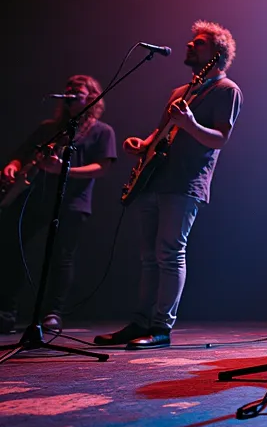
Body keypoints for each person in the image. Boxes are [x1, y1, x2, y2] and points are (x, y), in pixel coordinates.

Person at [95, 21, 242, 350]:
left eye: (199, 43)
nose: (190, 46)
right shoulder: (180, 91)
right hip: (155, 178)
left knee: (170, 253)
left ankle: (161, 327)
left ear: (217, 53)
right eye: (191, 42)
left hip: (185, 180)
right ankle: (139, 322)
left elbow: (220, 139)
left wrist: (190, 123)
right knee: (149, 256)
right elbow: (159, 135)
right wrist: (141, 145)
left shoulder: (226, 90)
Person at [0, 75, 117, 334]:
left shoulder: (102, 131)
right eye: (69, 87)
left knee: (61, 256)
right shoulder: (49, 127)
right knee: (13, 246)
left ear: (92, 95)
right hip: (37, 197)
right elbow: (22, 153)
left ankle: (53, 312)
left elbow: (102, 167)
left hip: (73, 202)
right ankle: (6, 309)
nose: (71, 91)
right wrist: (13, 165)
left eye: (79, 88)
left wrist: (64, 169)